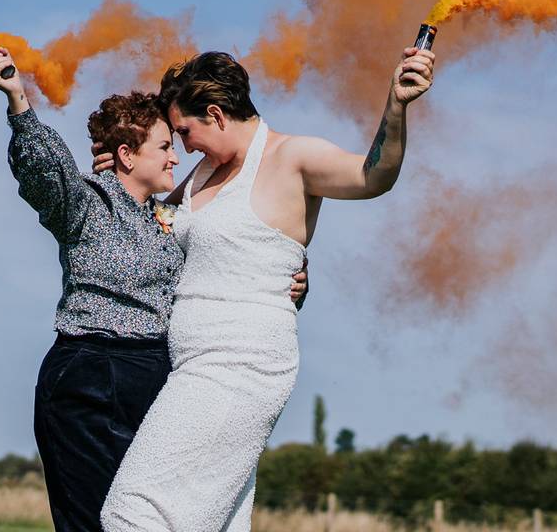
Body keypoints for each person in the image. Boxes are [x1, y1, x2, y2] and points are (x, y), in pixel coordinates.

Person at [99, 45, 434, 531]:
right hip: (191, 362)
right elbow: (148, 231)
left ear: (214, 114)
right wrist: (119, 173)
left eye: (186, 132)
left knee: (134, 510)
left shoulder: (293, 157)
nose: (184, 147)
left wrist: (396, 107)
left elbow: (372, 174)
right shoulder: (203, 175)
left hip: (241, 365)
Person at [0, 47, 308, 532]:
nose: (178, 155)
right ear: (127, 155)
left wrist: (293, 271)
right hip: (88, 378)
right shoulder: (84, 205)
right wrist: (18, 99)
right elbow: (45, 172)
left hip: (157, 376)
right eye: (163, 146)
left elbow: (235, 248)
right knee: (96, 523)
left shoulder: (171, 219)